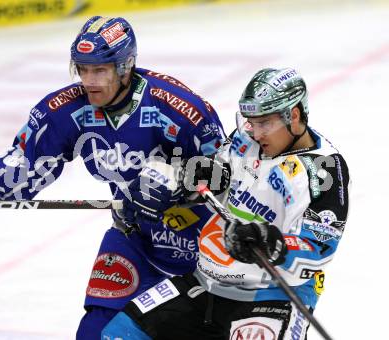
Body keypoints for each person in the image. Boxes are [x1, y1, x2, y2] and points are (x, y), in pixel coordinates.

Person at [0, 16, 226, 339]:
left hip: (202, 250)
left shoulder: (179, 108)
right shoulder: (68, 109)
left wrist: (179, 179)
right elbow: (27, 164)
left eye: (99, 70)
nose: (89, 81)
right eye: (82, 69)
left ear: (125, 67)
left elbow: (227, 175)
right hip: (134, 238)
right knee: (96, 332)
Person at [101, 67, 351, 339]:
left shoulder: (322, 170)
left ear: (293, 115)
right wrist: (170, 184)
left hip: (270, 296)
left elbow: (319, 249)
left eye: (264, 123)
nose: (255, 133)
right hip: (205, 283)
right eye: (250, 122)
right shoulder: (246, 139)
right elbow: (215, 177)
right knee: (120, 333)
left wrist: (266, 239)